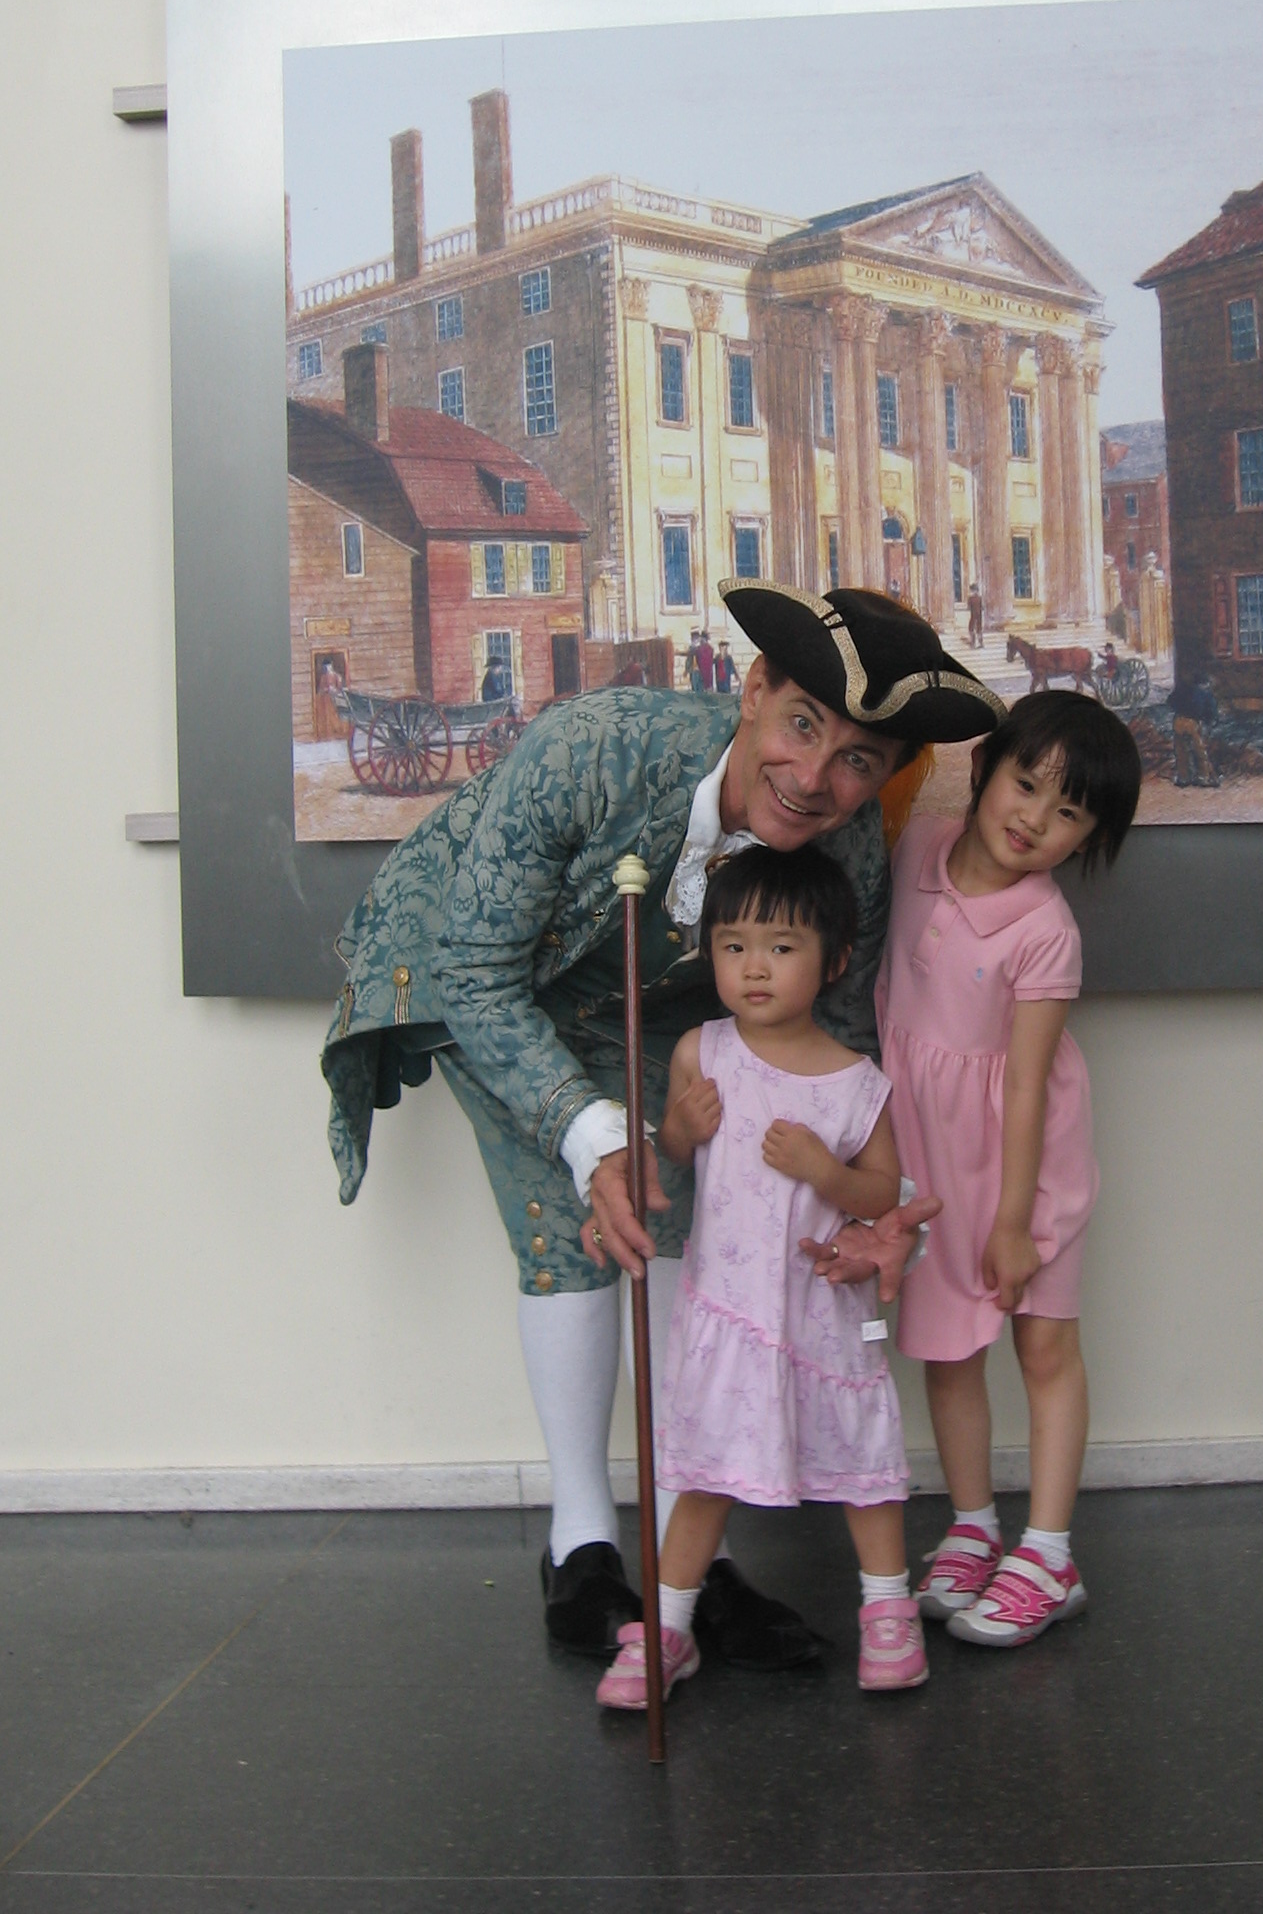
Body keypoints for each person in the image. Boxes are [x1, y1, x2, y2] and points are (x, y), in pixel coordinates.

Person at [320, 583, 1001, 1668]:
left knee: (703, 1231)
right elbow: (477, 970)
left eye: (859, 761)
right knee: (573, 1229)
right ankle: (583, 1544)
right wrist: (594, 1137)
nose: (814, 778)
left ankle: (694, 1561)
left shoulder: (849, 857)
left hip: (669, 1016)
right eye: (802, 726)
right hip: (503, 985)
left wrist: (859, 1204)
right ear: (755, 688)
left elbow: (828, 1049)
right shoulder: (591, 749)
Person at [596, 846, 923, 1709]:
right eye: (733, 945)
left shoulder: (857, 1085)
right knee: (703, 1474)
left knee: (861, 1468)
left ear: (834, 960)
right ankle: (669, 1627)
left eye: (781, 948)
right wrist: (678, 1127)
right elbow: (673, 1157)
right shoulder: (702, 1053)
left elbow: (882, 1193)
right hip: (730, 1310)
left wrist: (825, 1172)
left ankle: (889, 1613)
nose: (753, 967)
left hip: (822, 1312)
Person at [876, 692, 1141, 1647]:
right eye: (1025, 785)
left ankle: (1050, 1553)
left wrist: (1015, 1221)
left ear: (1089, 838)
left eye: (1067, 813)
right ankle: (973, 1527)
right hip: (930, 1159)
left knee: (1042, 1347)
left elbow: (1025, 1085)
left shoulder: (1045, 930)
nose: (1033, 819)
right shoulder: (918, 848)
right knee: (948, 1348)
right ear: (985, 767)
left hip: (1028, 1166)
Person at [1167, 673, 1220, 787]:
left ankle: (1183, 778)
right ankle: (1203, 778)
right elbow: (1211, 712)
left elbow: (1170, 701)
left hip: (1178, 721)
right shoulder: (1206, 694)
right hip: (1193, 723)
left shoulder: (1183, 690)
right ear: (1205, 684)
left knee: (1181, 751)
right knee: (1200, 752)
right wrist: (1209, 723)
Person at [966, 581, 985, 650]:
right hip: (979, 616)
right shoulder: (979, 598)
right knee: (979, 629)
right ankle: (981, 643)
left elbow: (968, 607)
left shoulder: (970, 598)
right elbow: (982, 607)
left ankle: (973, 644)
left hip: (973, 616)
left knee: (971, 629)